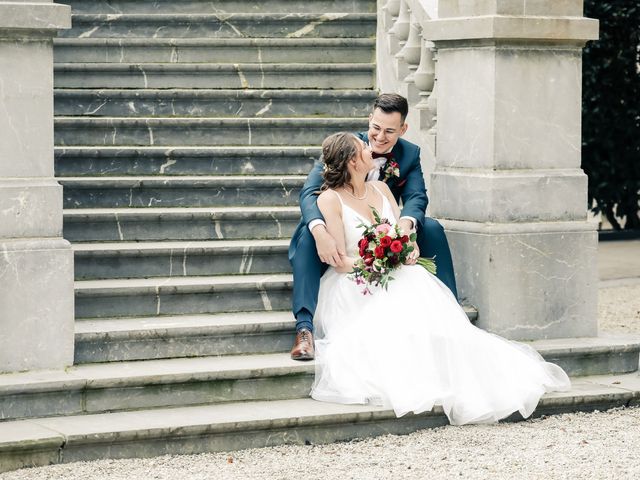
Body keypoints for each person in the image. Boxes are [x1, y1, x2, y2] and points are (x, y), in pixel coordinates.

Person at [309, 131, 571, 425]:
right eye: (363, 148)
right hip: (357, 280)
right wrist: (376, 262)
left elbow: (405, 236)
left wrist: (407, 251)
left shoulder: (382, 189)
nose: (371, 149)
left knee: (418, 288)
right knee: (395, 309)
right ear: (353, 161)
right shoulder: (330, 200)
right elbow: (340, 261)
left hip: (397, 271)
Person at [288, 93, 457, 361]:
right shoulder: (347, 147)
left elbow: (416, 197)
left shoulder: (409, 154)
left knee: (432, 228)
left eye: (389, 131)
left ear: (403, 129)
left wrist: (405, 230)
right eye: (375, 128)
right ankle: (304, 328)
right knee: (310, 237)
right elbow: (309, 193)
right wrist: (320, 231)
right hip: (342, 227)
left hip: (387, 225)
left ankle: (451, 311)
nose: (379, 138)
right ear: (370, 119)